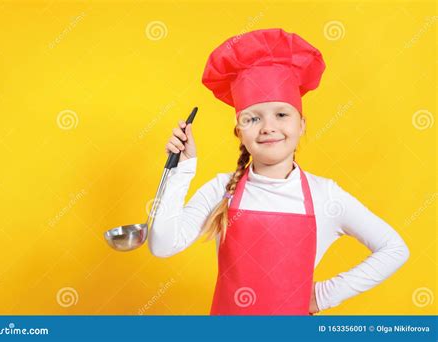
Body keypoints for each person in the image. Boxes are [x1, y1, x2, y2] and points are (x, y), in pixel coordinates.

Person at [149, 28, 410, 315]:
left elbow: (394, 249)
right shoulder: (221, 189)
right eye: (253, 118)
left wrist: (323, 295)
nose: (268, 127)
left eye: (282, 114)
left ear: (301, 125)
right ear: (239, 132)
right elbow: (162, 245)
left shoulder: (325, 196)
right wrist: (181, 169)